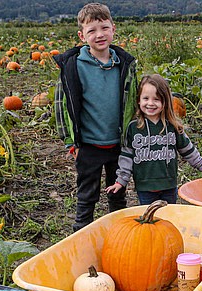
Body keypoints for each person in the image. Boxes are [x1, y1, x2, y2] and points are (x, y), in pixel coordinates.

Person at [53, 3, 138, 231]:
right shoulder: (73, 66)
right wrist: (70, 141)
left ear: (113, 29)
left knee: (118, 192)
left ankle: (120, 233)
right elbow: (61, 106)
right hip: (88, 144)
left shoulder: (125, 65)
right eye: (92, 31)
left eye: (104, 28)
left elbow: (134, 100)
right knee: (87, 194)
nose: (99, 35)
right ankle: (81, 233)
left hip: (118, 143)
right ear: (82, 35)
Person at [106, 74, 202, 205]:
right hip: (145, 186)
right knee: (150, 219)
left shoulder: (173, 126)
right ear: (139, 100)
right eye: (146, 98)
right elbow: (127, 156)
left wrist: (200, 165)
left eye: (156, 99)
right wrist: (121, 180)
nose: (150, 103)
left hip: (168, 184)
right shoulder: (134, 127)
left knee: (168, 216)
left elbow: (186, 148)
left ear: (165, 101)